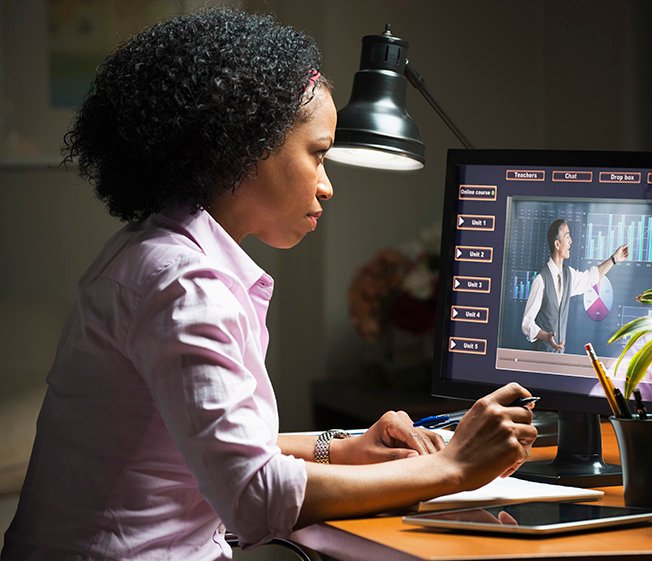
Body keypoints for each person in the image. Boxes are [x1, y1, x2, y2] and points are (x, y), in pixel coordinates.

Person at [0, 9, 536, 561]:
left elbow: (201, 445)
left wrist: (345, 447)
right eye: (318, 153)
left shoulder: (155, 252)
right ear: (244, 147)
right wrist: (451, 469)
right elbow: (255, 497)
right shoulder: (186, 286)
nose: (328, 186)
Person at [521, 218, 629, 353]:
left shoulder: (568, 275)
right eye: (567, 237)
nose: (571, 241)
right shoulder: (541, 280)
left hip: (559, 358)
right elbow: (526, 323)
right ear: (557, 244)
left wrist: (614, 259)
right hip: (541, 358)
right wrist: (546, 336)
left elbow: (591, 277)